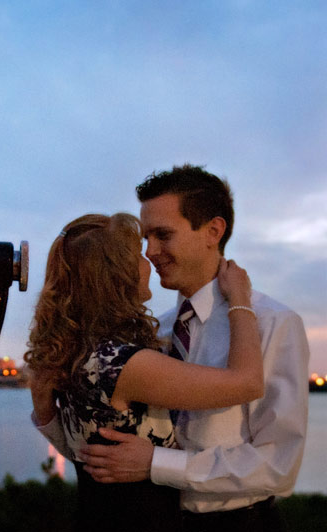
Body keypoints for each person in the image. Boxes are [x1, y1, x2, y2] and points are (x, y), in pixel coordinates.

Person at [78, 165, 310, 532]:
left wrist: (157, 463)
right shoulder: (158, 328)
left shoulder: (273, 324)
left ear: (213, 231)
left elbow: (278, 465)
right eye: (146, 239)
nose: (151, 251)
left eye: (163, 235)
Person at [27, 212, 264, 532]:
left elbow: (86, 456)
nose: (149, 258)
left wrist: (45, 414)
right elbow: (247, 383)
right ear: (118, 274)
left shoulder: (80, 352)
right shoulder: (124, 365)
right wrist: (240, 298)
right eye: (138, 255)